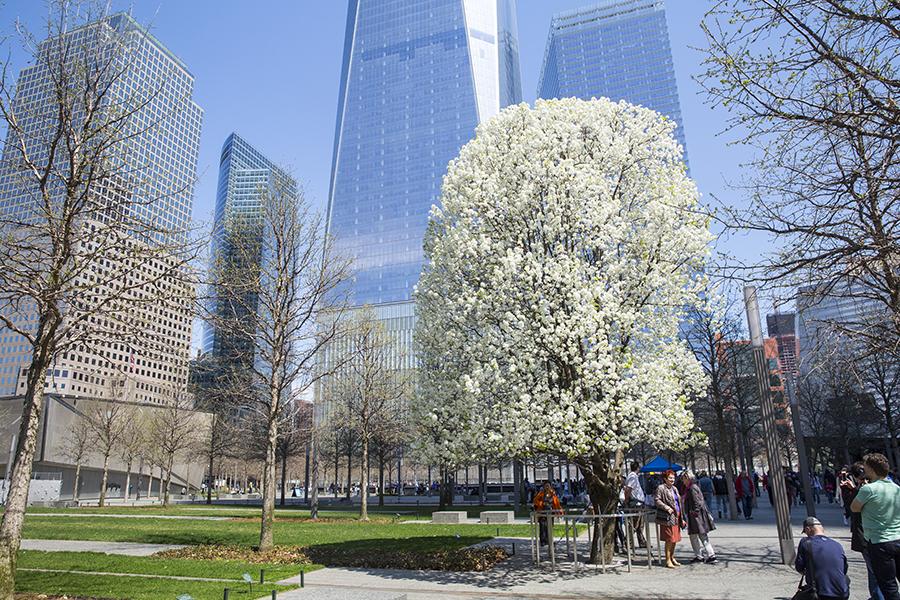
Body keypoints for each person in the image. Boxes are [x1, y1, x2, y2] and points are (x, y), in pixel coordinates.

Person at [851, 453, 900, 600]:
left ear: (871, 469)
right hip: (898, 537)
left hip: (879, 542)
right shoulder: (896, 488)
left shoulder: (868, 489)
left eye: (865, 467)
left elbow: (854, 508)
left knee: (888, 584)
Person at [842, 462, 885, 600]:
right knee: (875, 571)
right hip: (874, 535)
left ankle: (878, 596)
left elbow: (857, 508)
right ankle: (876, 596)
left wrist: (854, 490)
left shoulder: (867, 489)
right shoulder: (873, 487)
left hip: (870, 536)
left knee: (875, 572)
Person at [795, 516, 851, 600]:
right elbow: (844, 569)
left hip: (820, 593)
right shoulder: (837, 545)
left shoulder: (805, 542)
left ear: (808, 529)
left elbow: (799, 567)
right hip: (842, 593)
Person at [681, 470, 717, 564]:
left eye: (684, 479)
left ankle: (703, 555)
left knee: (697, 536)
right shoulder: (693, 487)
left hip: (696, 517)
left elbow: (697, 502)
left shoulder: (692, 488)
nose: (683, 481)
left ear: (688, 478)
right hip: (697, 516)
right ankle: (708, 555)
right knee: (701, 536)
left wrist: (694, 512)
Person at [655, 469, 685, 568]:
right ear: (665, 479)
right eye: (670, 478)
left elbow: (679, 502)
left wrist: (682, 518)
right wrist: (666, 507)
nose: (672, 480)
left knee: (675, 539)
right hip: (667, 516)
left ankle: (672, 557)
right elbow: (657, 500)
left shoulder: (675, 489)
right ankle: (668, 559)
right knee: (669, 539)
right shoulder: (661, 488)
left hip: (677, 515)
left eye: (673, 478)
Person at [623, 462, 648, 547]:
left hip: (639, 503)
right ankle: (627, 542)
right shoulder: (632, 477)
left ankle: (641, 541)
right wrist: (626, 500)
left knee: (640, 524)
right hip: (636, 504)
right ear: (638, 468)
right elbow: (628, 489)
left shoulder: (633, 476)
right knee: (634, 524)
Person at [533, 481, 562, 547]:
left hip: (550, 513)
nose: (547, 487)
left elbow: (556, 503)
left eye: (548, 486)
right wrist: (541, 503)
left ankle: (549, 540)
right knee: (543, 527)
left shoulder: (553, 494)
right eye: (546, 486)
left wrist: (559, 512)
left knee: (550, 527)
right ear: (543, 487)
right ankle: (543, 541)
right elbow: (535, 501)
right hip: (542, 512)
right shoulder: (541, 494)